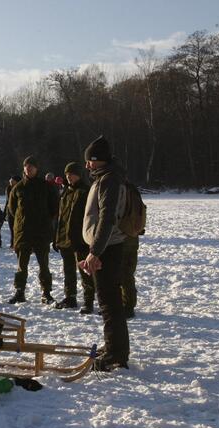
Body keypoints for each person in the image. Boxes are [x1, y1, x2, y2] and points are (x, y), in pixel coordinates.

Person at [80, 136, 130, 372]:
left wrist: (95, 252)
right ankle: (114, 347)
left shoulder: (109, 180)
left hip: (108, 248)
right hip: (106, 247)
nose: (87, 165)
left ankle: (116, 354)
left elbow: (107, 219)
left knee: (109, 303)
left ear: (98, 161)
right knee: (108, 301)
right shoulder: (106, 178)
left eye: (90, 160)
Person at [7, 156, 59, 305]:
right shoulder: (18, 188)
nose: (29, 169)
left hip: (41, 233)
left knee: (44, 265)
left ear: (37, 169)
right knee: (21, 266)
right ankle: (19, 292)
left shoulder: (46, 186)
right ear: (24, 169)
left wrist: (45, 221)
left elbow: (54, 207)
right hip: (23, 233)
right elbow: (12, 209)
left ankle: (46, 293)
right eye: (26, 166)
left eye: (32, 166)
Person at [53, 162, 95, 314]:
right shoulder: (66, 192)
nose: (69, 177)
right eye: (67, 174)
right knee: (68, 271)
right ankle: (70, 297)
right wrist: (57, 238)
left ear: (79, 174)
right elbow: (61, 218)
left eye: (71, 174)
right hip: (65, 239)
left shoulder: (86, 191)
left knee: (85, 272)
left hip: (80, 240)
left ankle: (88, 301)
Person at [121, 233, 139, 320]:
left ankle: (128, 305)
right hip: (127, 239)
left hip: (125, 240)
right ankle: (127, 304)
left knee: (125, 275)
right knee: (125, 274)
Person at [4, 175, 21, 249]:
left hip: (18, 211)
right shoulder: (8, 189)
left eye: (12, 181)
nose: (10, 182)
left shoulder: (20, 188)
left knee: (18, 228)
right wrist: (4, 212)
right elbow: (7, 201)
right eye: (10, 181)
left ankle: (18, 243)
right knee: (12, 229)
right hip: (9, 211)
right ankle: (13, 243)